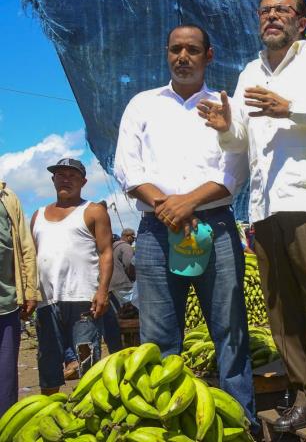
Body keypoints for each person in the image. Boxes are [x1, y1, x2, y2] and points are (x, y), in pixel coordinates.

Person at [198, 0, 306, 439]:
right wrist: (227, 129)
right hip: (264, 205)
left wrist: (291, 109)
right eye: (265, 10)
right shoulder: (248, 72)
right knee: (282, 309)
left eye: (282, 10)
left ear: (301, 22)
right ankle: (302, 394)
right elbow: (242, 143)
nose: (271, 17)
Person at [113, 24, 256, 427]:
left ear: (208, 56)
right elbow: (127, 168)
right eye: (176, 49)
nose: (183, 57)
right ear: (166, 53)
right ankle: (167, 426)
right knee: (159, 335)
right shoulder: (142, 105)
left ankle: (241, 421)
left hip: (217, 226)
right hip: (156, 231)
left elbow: (235, 170)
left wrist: (188, 203)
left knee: (230, 328)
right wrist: (168, 207)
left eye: (192, 49)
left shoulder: (225, 105)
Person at [30, 158, 113, 395]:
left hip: (83, 300)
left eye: (72, 175)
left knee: (86, 360)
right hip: (47, 301)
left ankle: (89, 414)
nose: (65, 179)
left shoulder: (93, 211)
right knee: (48, 363)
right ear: (53, 179)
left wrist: (102, 291)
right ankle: (48, 411)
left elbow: (106, 252)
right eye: (60, 175)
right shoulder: (38, 215)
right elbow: (32, 256)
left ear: (83, 181)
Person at [0, 181, 38, 415]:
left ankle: (5, 426)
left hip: (7, 303)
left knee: (5, 375)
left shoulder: (8, 196)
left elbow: (26, 246)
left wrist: (31, 290)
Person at [101, 227, 137, 353]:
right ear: (128, 236)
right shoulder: (126, 247)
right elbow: (130, 264)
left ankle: (121, 344)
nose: (133, 241)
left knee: (119, 315)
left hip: (112, 286)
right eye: (133, 237)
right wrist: (134, 278)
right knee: (131, 313)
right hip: (124, 285)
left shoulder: (112, 247)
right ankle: (131, 344)